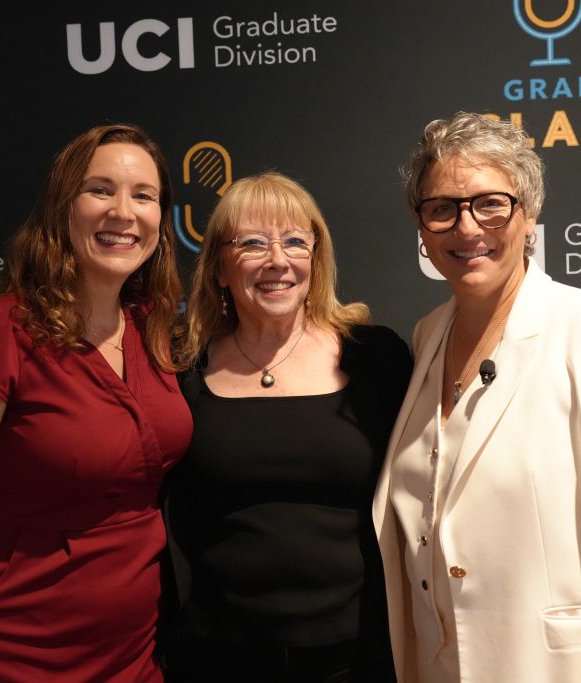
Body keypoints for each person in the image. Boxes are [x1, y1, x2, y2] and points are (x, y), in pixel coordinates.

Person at [373, 112, 581, 682]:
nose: (467, 227)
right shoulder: (426, 336)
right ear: (421, 225)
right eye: (442, 208)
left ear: (530, 214)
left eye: (491, 204)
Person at [0, 123, 193, 682]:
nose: (123, 212)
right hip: (20, 645)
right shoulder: (1, 328)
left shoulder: (151, 326)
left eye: (143, 195)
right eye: (100, 190)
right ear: (62, 207)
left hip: (136, 649)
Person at [164, 172, 411, 682]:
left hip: (356, 655)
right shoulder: (181, 364)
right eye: (253, 243)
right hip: (217, 655)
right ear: (220, 267)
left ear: (315, 259)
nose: (277, 260)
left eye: (295, 241)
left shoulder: (376, 357)